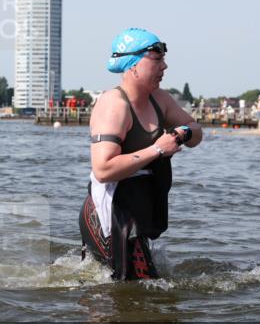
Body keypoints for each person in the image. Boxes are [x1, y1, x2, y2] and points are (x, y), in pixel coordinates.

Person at [79, 28, 203, 280]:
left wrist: (181, 134)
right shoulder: (114, 106)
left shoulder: (160, 99)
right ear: (133, 64)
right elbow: (103, 170)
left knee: (142, 286)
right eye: (157, 59)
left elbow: (196, 131)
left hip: (141, 203)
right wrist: (158, 149)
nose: (164, 66)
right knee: (131, 288)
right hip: (113, 209)